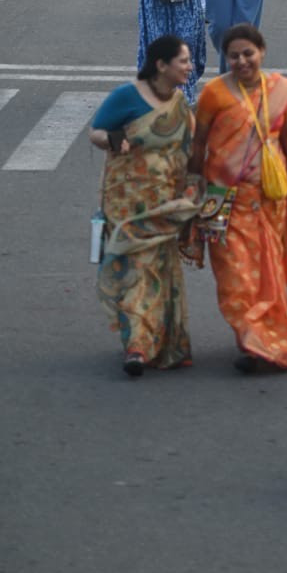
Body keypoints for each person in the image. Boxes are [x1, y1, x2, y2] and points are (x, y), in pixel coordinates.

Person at [190, 25, 287, 370]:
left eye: (248, 54)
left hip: (269, 197)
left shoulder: (281, 91)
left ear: (262, 52)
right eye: (234, 56)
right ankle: (254, 338)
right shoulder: (213, 94)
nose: (242, 61)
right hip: (223, 198)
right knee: (235, 277)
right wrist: (192, 181)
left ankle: (264, 345)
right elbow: (199, 143)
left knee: (267, 274)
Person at [88, 35, 201, 376]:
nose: (189, 66)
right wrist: (112, 140)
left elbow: (188, 149)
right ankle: (137, 345)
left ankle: (161, 341)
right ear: (161, 65)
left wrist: (194, 192)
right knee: (135, 268)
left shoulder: (180, 103)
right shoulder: (127, 96)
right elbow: (95, 131)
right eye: (183, 61)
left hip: (165, 202)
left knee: (159, 271)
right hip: (126, 201)